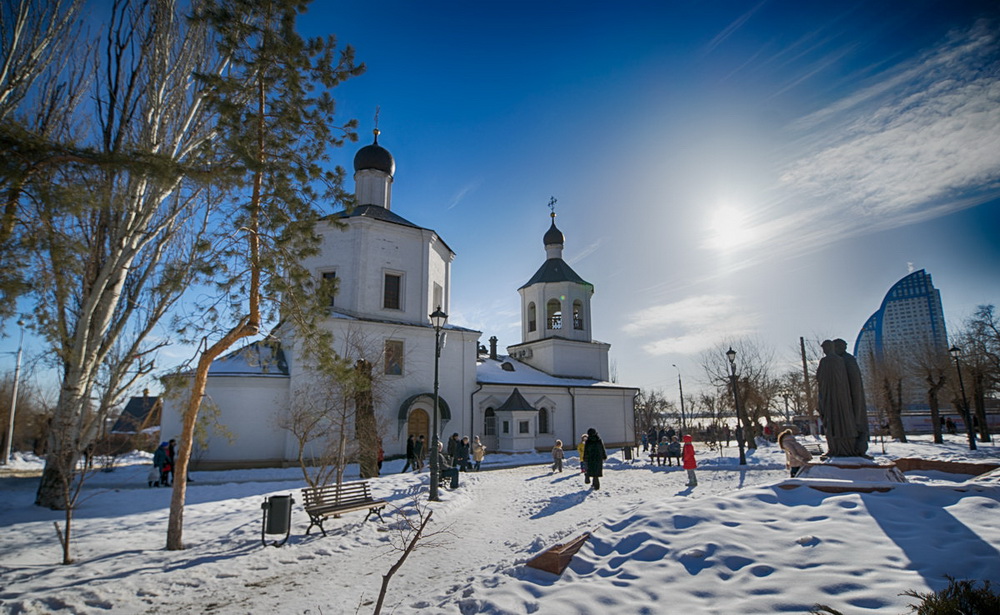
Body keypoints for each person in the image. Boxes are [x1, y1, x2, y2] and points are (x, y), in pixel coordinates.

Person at [816, 339, 858, 457]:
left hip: (830, 397)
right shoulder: (841, 361)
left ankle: (835, 448)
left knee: (832, 423)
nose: (824, 351)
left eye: (825, 348)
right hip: (843, 398)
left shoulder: (825, 361)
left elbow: (819, 377)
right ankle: (845, 447)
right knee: (841, 421)